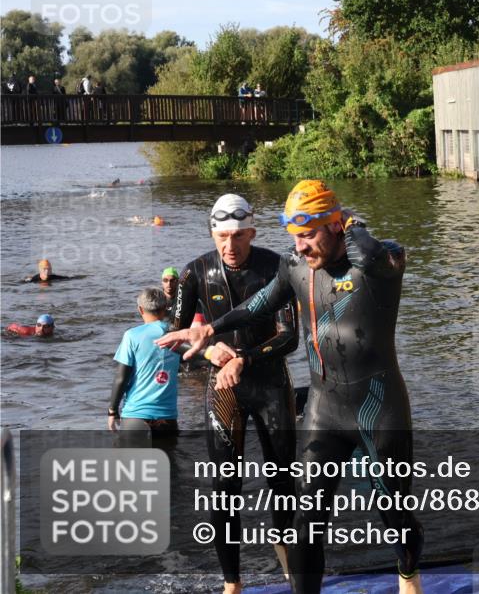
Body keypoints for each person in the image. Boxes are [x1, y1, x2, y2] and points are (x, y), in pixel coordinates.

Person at [158, 180, 424, 594]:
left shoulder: (379, 263)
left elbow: (370, 252)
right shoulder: (296, 268)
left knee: (394, 512)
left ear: (336, 225)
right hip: (324, 409)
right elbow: (258, 305)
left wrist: (351, 222)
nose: (300, 247)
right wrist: (212, 327)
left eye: (308, 235)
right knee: (305, 521)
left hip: (379, 406)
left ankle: (407, 574)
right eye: (294, 237)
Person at [168, 193, 299, 594]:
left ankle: (292, 570)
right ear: (212, 234)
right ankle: (232, 583)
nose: (230, 245)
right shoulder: (194, 273)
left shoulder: (276, 267)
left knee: (282, 483)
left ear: (252, 233)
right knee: (225, 487)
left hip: (271, 383)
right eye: (223, 236)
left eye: (239, 235)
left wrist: (242, 356)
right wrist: (208, 349)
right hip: (223, 388)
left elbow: (290, 336)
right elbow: (171, 335)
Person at [107, 288, 180, 436]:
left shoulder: (132, 336)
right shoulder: (178, 334)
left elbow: (121, 378)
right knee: (170, 458)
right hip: (167, 418)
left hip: (135, 416)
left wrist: (112, 411)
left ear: (140, 309)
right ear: (165, 307)